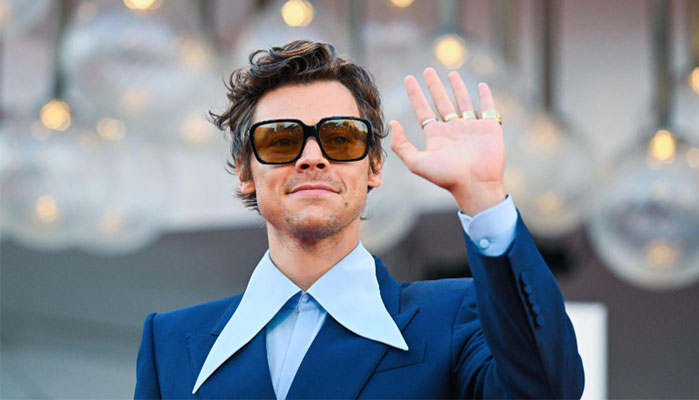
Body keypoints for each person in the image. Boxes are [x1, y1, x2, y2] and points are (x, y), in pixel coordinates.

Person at [135, 40, 584, 399]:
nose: (312, 157)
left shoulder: (453, 318)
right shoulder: (171, 342)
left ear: (374, 166)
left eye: (341, 138)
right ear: (245, 171)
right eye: (280, 140)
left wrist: (483, 197)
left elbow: (544, 390)